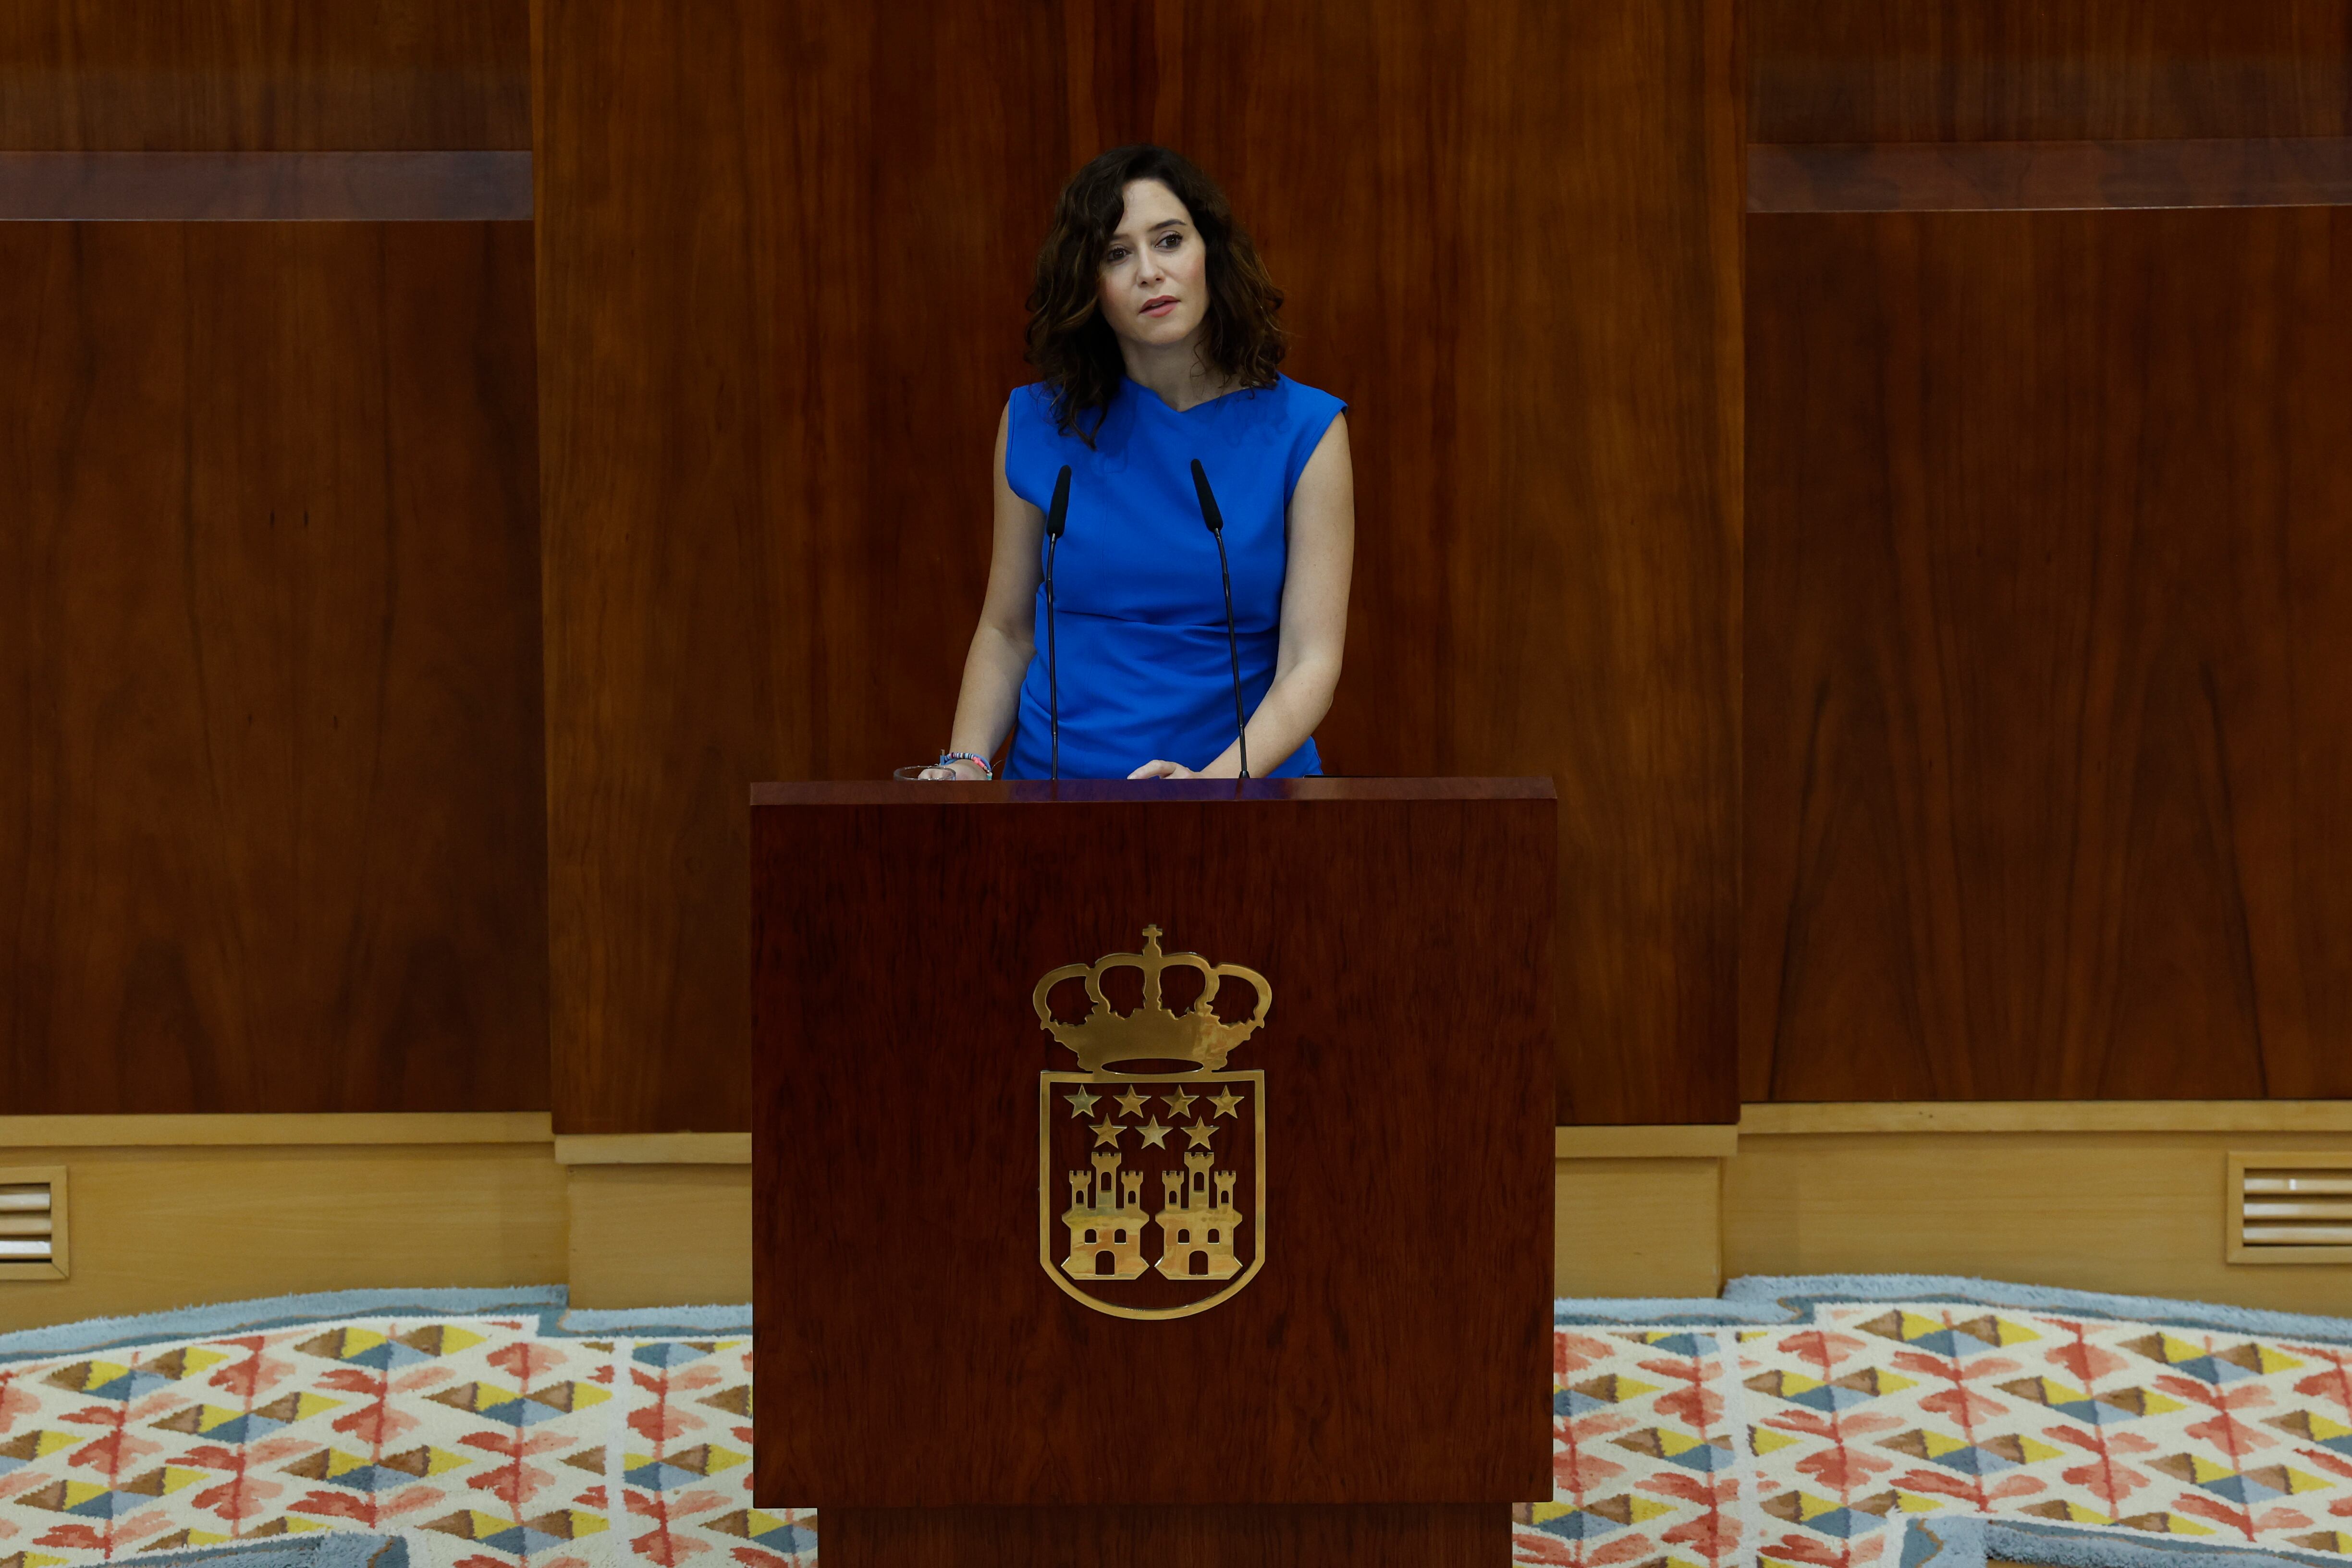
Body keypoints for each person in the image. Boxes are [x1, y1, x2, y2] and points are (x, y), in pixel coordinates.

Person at [918, 144, 1353, 781]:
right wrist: (968, 763)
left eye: (1169, 241)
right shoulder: (1039, 422)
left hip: (1243, 804)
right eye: (1116, 255)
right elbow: (1008, 631)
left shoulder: (1306, 431)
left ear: (1211, 253)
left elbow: (1310, 661)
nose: (1149, 272)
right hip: (1055, 803)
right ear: (1089, 286)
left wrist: (1212, 787)